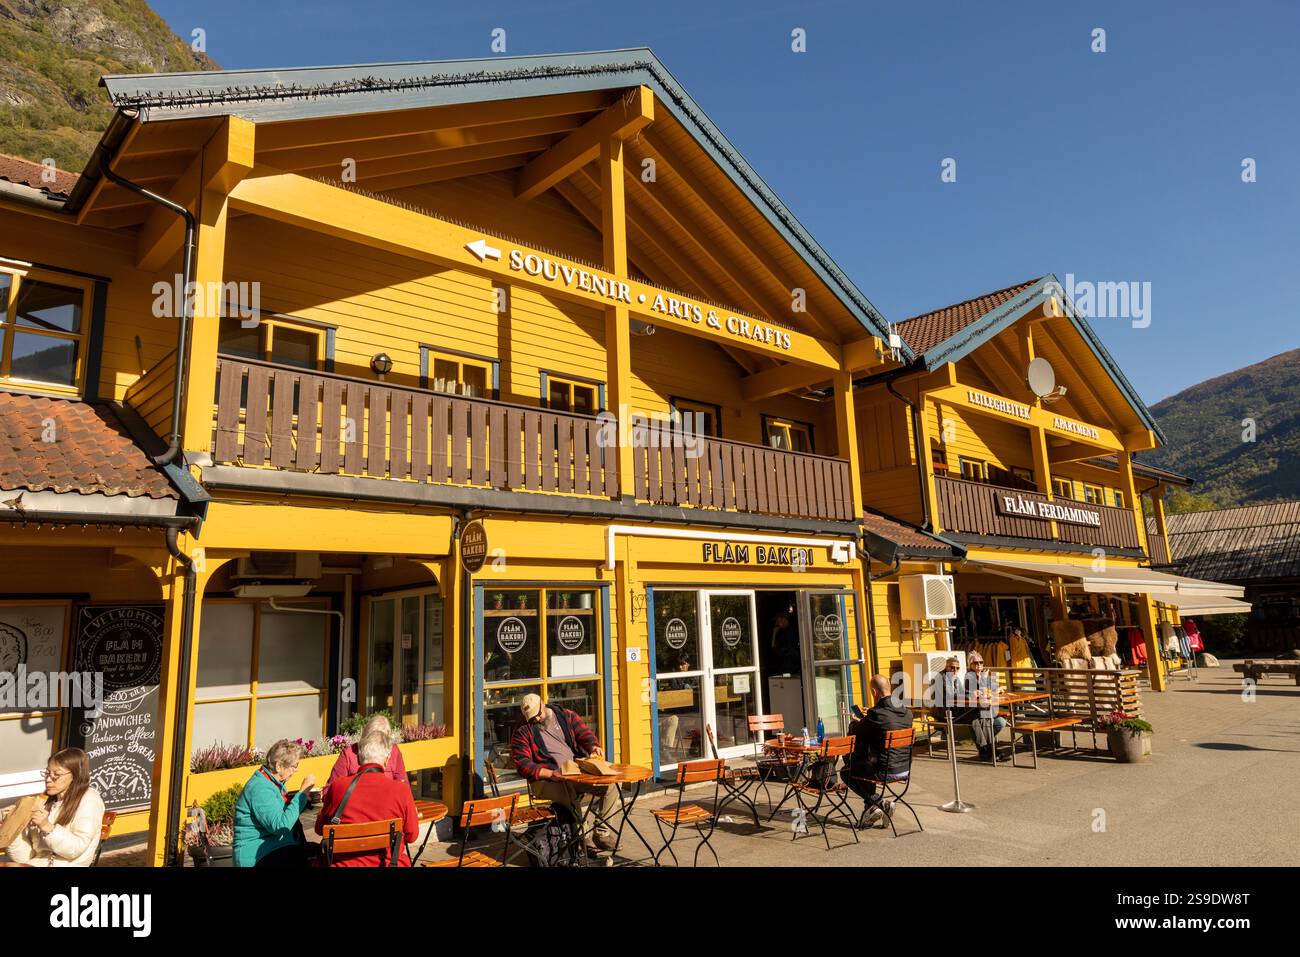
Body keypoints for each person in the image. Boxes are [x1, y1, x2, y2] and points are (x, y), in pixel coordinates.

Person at [511, 693, 618, 853]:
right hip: (545, 781)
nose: (537, 719)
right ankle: (582, 839)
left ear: (543, 703)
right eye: (532, 718)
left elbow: (584, 734)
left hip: (575, 772)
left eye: (538, 714)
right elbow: (523, 765)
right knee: (566, 790)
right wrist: (551, 774)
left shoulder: (566, 715)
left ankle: (601, 832)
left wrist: (593, 746)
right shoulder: (522, 731)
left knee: (612, 785)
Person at [315, 731, 419, 866]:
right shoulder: (401, 790)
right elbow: (412, 836)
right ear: (387, 760)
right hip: (388, 864)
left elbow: (319, 829)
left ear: (359, 758)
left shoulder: (338, 787)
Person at [1, 748, 105, 866]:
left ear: (75, 776)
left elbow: (76, 848)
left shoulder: (89, 801)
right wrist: (12, 828)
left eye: (56, 775)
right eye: (47, 773)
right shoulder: (44, 801)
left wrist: (46, 826)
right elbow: (25, 857)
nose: (48, 780)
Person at [841, 676, 913, 828]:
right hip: (904, 769)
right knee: (865, 764)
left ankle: (880, 803)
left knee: (847, 770)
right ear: (890, 689)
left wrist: (856, 721)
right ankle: (872, 808)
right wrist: (870, 717)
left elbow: (857, 734)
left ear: (874, 692)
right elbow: (886, 722)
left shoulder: (876, 714)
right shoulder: (907, 712)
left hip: (885, 771)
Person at [232, 739, 316, 868]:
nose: (295, 771)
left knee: (318, 851)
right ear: (278, 766)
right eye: (294, 766)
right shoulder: (260, 788)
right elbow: (280, 826)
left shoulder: (270, 784)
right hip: (258, 856)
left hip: (274, 847)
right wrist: (302, 794)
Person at [326, 713, 408, 787]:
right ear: (365, 736)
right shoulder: (349, 754)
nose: (377, 744)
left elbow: (403, 785)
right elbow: (330, 789)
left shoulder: (394, 751)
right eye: (373, 739)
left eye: (382, 741)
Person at [966, 653, 1006, 761]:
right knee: (982, 720)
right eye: (975, 662)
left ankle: (987, 749)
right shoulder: (969, 677)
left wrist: (996, 689)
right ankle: (988, 749)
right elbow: (975, 694)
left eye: (981, 662)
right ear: (970, 665)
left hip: (987, 710)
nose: (979, 664)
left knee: (1001, 722)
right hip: (973, 710)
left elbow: (996, 689)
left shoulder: (986, 676)